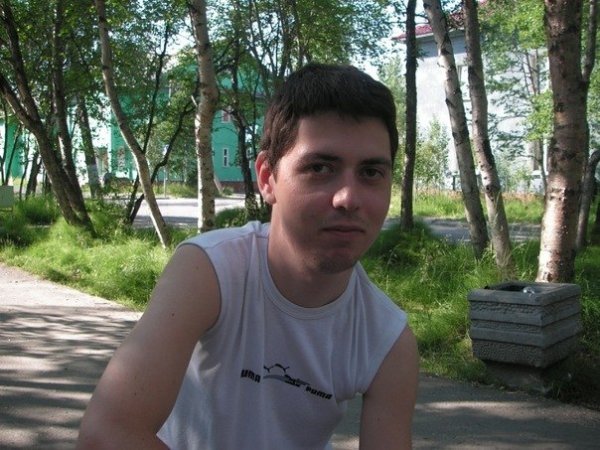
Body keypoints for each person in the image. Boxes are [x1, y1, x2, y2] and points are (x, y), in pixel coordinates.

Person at [77, 63, 419, 450]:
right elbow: (106, 435)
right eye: (320, 168)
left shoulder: (387, 339)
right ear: (267, 178)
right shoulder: (210, 271)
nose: (348, 198)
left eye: (371, 173)